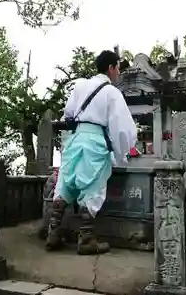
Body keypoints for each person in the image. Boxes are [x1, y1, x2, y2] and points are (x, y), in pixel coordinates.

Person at [46, 50, 137, 255]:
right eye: (118, 69)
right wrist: (122, 151)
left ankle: (53, 233)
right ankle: (86, 239)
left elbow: (68, 114)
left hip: (74, 139)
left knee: (66, 183)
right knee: (92, 186)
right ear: (112, 68)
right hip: (95, 141)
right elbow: (121, 127)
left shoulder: (80, 86)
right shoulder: (112, 92)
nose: (118, 74)